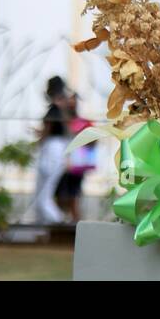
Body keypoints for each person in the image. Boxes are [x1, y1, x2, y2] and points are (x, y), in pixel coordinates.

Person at [32, 76, 70, 224]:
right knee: (46, 195)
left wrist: (38, 139)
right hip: (60, 150)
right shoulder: (63, 110)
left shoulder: (53, 110)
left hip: (51, 150)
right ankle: (55, 222)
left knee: (42, 197)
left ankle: (60, 221)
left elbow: (46, 132)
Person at [55, 89, 96, 222]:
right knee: (63, 196)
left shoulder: (81, 122)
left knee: (72, 197)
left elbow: (93, 140)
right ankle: (67, 222)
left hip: (76, 165)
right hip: (66, 164)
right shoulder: (67, 121)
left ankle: (74, 224)